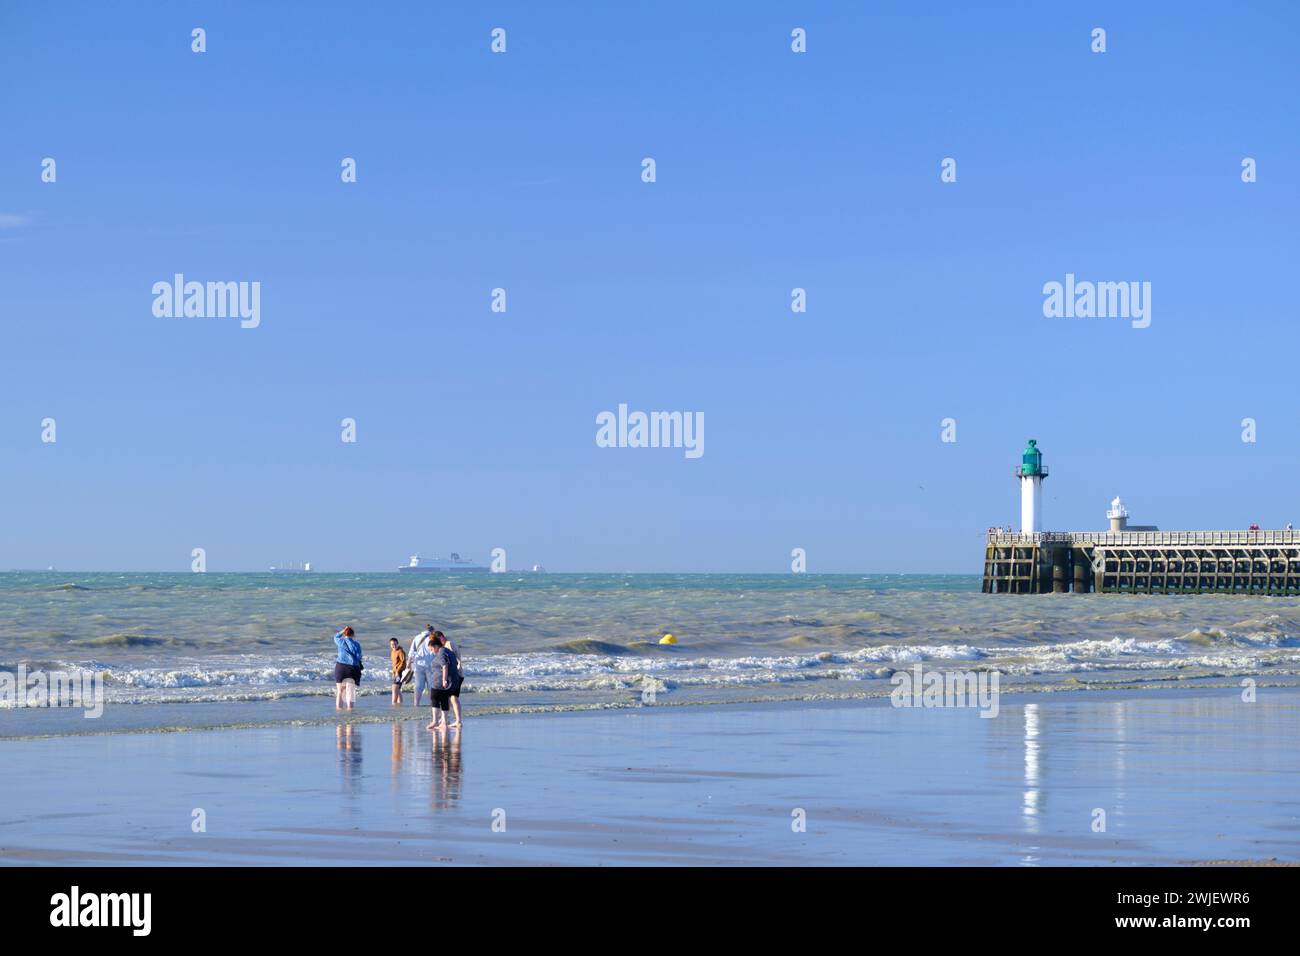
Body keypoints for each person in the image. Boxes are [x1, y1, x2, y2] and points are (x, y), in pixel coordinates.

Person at [426, 631, 463, 730]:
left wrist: (444, 679)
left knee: (452, 698)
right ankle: (445, 720)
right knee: (448, 699)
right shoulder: (445, 648)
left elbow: (451, 661)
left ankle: (456, 721)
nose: (431, 651)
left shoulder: (447, 646)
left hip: (453, 676)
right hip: (452, 676)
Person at [333, 626, 363, 710]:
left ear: (345, 633)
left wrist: (342, 630)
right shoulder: (356, 644)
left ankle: (339, 711)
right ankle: (350, 712)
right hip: (352, 668)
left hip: (341, 667)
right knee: (350, 692)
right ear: (353, 635)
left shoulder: (341, 641)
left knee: (340, 691)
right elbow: (359, 656)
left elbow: (336, 636)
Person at [408, 627, 435, 707]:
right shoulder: (432, 638)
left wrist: (408, 665)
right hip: (430, 665)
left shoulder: (416, 637)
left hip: (417, 665)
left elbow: (411, 653)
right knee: (431, 686)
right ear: (432, 631)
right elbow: (435, 652)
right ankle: (432, 704)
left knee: (418, 686)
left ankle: (416, 704)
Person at [389, 637, 407, 705]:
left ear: (397, 643)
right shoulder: (393, 652)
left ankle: (394, 704)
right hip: (395, 672)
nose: (393, 646)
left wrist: (397, 672)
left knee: (394, 688)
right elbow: (394, 664)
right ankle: (399, 704)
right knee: (397, 689)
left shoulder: (400, 651)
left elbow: (403, 662)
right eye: (392, 644)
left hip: (399, 672)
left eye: (395, 644)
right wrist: (393, 672)